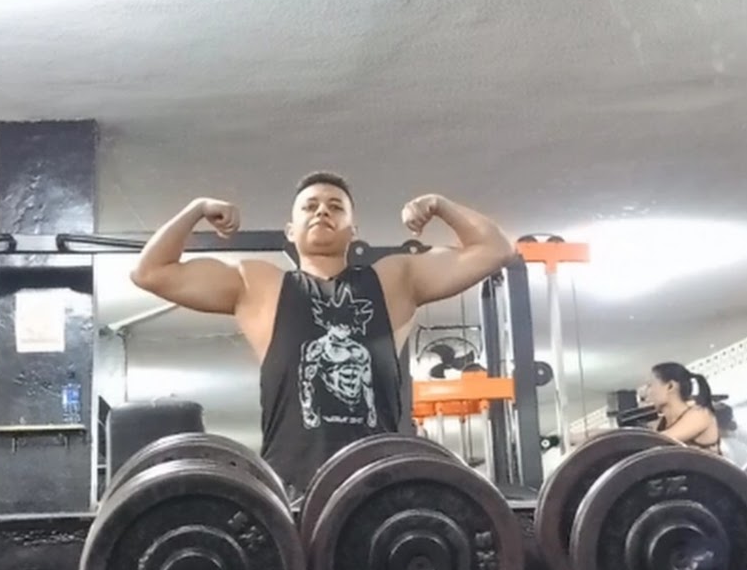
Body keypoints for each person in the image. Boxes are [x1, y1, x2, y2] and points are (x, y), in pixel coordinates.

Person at [130, 172, 515, 500]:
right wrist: (195, 209)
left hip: (376, 486)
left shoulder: (394, 280)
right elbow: (150, 273)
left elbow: (494, 250)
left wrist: (441, 205)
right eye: (310, 206)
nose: (322, 212)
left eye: (335, 206)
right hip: (289, 490)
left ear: (353, 230)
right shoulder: (259, 286)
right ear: (290, 230)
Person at [642, 361, 720, 453]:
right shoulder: (662, 424)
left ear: (670, 386)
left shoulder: (700, 414)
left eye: (650, 385)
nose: (646, 393)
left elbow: (659, 441)